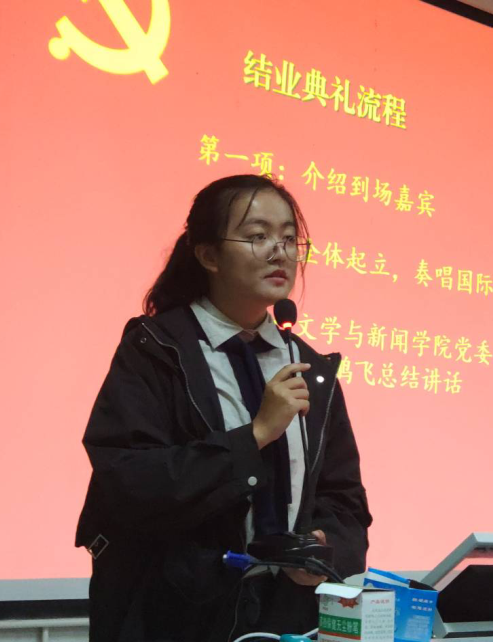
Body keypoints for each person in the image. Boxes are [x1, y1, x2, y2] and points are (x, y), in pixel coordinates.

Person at [75, 174, 372, 642]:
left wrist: (325, 547)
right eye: (258, 236)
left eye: (289, 239)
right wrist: (255, 435)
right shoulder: (157, 348)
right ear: (209, 255)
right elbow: (129, 479)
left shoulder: (309, 366)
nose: (280, 252)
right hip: (174, 615)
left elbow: (344, 497)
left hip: (287, 615)